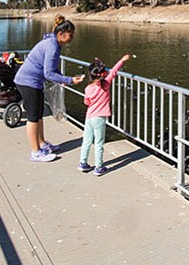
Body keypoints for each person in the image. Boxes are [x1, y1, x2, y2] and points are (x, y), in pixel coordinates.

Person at [14, 15, 84, 162]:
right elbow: (48, 73)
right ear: (61, 34)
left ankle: (42, 143)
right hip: (27, 82)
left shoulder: (54, 43)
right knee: (33, 118)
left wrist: (62, 78)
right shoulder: (52, 46)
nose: (72, 38)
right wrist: (69, 80)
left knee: (39, 115)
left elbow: (52, 68)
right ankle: (36, 152)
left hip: (35, 82)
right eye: (70, 35)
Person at [78, 53, 132, 175]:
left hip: (89, 117)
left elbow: (86, 102)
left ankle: (83, 163)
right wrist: (122, 60)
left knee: (86, 141)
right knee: (99, 142)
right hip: (100, 118)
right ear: (102, 74)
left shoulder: (88, 88)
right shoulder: (105, 85)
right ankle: (98, 166)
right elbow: (113, 71)